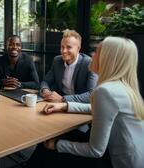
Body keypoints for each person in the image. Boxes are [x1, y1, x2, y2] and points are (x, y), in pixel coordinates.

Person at [29, 37, 144, 168]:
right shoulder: (123, 86)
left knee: (46, 148)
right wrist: (65, 106)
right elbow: (99, 110)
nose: (92, 55)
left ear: (108, 59)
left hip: (117, 161)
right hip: (135, 155)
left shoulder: (105, 91)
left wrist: (56, 145)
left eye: (97, 51)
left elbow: (95, 151)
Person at [40, 30, 97, 103]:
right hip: (58, 105)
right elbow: (45, 81)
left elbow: (92, 95)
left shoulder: (89, 64)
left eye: (69, 47)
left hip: (78, 107)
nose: (64, 51)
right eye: (62, 47)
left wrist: (63, 99)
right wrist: (45, 90)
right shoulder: (57, 61)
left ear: (78, 48)